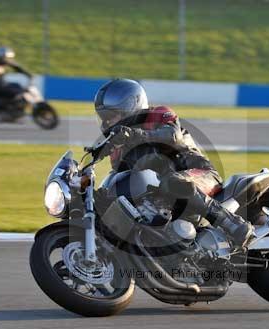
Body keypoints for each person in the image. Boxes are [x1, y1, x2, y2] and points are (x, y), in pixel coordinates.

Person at [93, 78, 254, 249]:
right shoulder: (118, 151)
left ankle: (233, 224)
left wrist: (135, 135)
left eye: (110, 116)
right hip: (164, 195)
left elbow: (172, 136)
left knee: (175, 182)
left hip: (199, 173)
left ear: (129, 107)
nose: (106, 123)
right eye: (102, 118)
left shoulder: (157, 115)